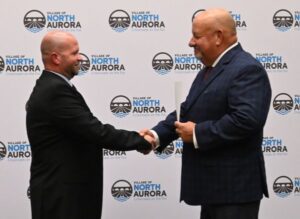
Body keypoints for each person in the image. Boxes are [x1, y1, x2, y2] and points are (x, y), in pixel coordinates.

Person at [140, 8, 271, 219]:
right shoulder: (210, 69)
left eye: (197, 36)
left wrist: (198, 133)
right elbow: (188, 110)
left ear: (218, 36)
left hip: (234, 192)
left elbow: (247, 120)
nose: (191, 42)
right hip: (214, 190)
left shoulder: (247, 69)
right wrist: (155, 136)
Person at [26, 31, 153, 219]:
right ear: (56, 58)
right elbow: (96, 131)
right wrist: (139, 140)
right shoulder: (54, 90)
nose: (80, 58)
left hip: (65, 194)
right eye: (74, 53)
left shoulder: (53, 86)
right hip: (62, 198)